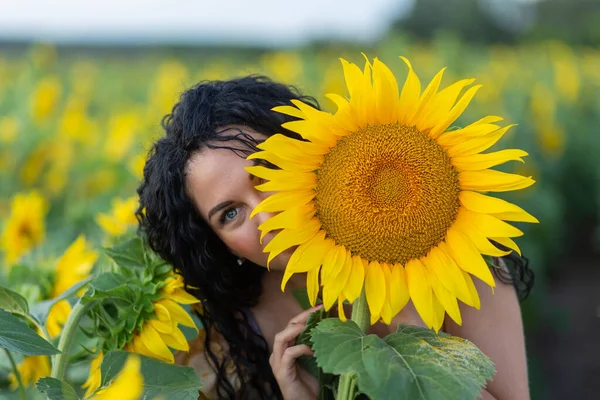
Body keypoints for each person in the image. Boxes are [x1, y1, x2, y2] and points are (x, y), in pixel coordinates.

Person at [136, 75, 534, 400]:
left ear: (311, 157)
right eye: (230, 214)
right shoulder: (227, 333)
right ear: (218, 244)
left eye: (268, 173)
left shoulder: (453, 263)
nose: (266, 213)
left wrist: (400, 347)